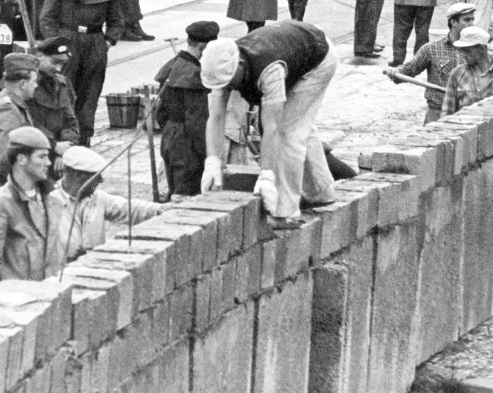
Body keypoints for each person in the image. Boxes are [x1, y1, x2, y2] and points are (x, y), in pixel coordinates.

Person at [200, 22, 338, 230]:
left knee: (289, 132)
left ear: (240, 66)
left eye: (229, 82)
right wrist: (212, 162)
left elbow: (272, 127)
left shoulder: (269, 69)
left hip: (318, 58)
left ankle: (285, 213)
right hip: (294, 45)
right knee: (299, 125)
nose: (226, 88)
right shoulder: (220, 68)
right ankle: (321, 191)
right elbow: (216, 118)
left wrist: (266, 176)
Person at [40, 0, 125, 147]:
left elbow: (117, 22)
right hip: (67, 40)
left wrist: (106, 41)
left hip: (95, 42)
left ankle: (83, 135)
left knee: (91, 91)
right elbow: (47, 18)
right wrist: (55, 44)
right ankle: (61, 136)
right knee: (64, 88)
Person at [53, 146, 164, 262]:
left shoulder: (98, 198)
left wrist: (160, 209)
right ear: (78, 175)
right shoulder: (49, 201)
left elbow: (131, 208)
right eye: (96, 176)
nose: (101, 181)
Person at [154, 21, 219, 198]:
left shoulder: (172, 65)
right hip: (187, 145)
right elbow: (197, 123)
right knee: (186, 197)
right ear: (204, 46)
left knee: (174, 189)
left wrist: (171, 129)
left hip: (169, 137)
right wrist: (207, 155)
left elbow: (159, 112)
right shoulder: (194, 75)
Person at [386, 3, 474, 124]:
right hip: (437, 113)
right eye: (467, 20)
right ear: (453, 22)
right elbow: (409, 69)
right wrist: (396, 73)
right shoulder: (431, 49)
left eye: (472, 20)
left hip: (466, 114)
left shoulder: (477, 50)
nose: (471, 24)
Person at [0, 126, 61, 281]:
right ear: (21, 159)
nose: (48, 163)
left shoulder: (52, 198)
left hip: (52, 293)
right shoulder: (4, 202)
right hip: (18, 298)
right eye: (41, 157)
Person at [28, 38, 79, 179]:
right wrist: (54, 145)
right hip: (33, 154)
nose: (58, 69)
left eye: (62, 64)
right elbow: (27, 122)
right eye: (54, 62)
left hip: (58, 156)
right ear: (39, 56)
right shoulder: (27, 85)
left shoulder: (63, 83)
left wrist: (63, 152)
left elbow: (70, 120)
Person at [441, 26, 493, 116]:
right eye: (461, 51)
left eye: (467, 51)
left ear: (481, 49)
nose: (463, 54)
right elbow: (447, 111)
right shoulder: (457, 74)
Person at [0, 54, 39, 167]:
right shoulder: (9, 110)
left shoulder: (15, 105)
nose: (36, 85)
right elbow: (5, 157)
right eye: (34, 81)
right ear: (23, 84)